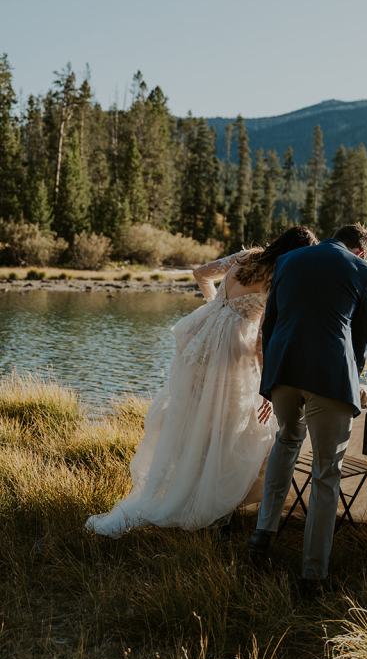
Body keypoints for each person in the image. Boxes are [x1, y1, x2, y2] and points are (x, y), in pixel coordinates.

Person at [85, 226, 318, 537]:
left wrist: (217, 306)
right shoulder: (277, 276)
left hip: (202, 337)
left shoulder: (247, 257)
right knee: (230, 424)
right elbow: (262, 337)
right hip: (233, 351)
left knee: (196, 418)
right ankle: (210, 502)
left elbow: (201, 273)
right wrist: (266, 387)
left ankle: (188, 488)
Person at [249, 222, 367, 587]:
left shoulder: (289, 260)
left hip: (284, 371)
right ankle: (312, 574)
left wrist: (269, 379)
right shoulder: (365, 271)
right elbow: (361, 342)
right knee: (326, 472)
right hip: (329, 378)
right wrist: (349, 380)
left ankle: (261, 536)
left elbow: (270, 324)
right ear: (360, 251)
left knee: (286, 442)